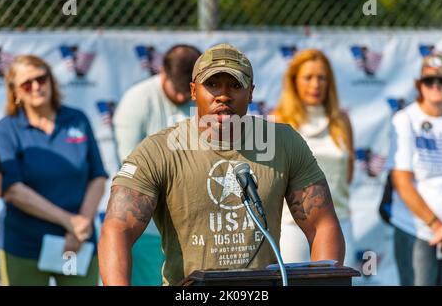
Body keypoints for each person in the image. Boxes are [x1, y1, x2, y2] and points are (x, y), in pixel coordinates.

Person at [99, 43, 345, 286]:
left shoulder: (283, 143)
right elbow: (117, 229)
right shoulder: (159, 150)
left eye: (235, 85)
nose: (224, 95)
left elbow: (322, 225)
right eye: (212, 84)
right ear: (194, 91)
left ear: (251, 92)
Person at [0, 55, 108, 285]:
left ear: (51, 80)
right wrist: (68, 220)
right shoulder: (7, 129)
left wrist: (81, 225)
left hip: (75, 244)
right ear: (15, 92)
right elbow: (12, 189)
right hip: (25, 246)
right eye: (27, 84)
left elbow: (97, 176)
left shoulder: (77, 119)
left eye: (41, 78)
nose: (36, 87)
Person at [113, 44, 201, 286]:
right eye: (178, 89)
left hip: (195, 227)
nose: (184, 97)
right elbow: (130, 166)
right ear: (162, 71)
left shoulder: (205, 100)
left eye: (189, 91)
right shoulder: (137, 101)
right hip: (148, 226)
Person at [272, 49, 355, 267]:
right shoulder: (278, 120)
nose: (315, 84)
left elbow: (349, 171)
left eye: (322, 77)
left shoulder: (342, 120)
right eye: (308, 77)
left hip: (339, 220)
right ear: (294, 81)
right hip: (291, 226)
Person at [386, 53, 442, 286]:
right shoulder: (405, 119)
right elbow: (401, 181)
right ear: (419, 85)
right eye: (429, 81)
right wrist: (437, 226)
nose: (436, 87)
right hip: (417, 230)